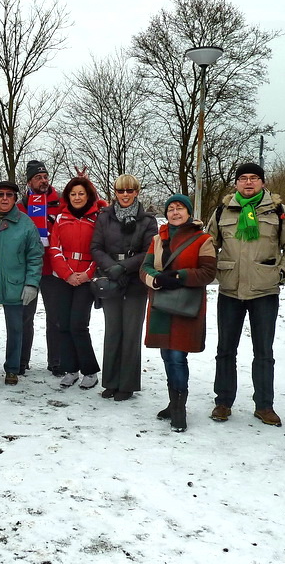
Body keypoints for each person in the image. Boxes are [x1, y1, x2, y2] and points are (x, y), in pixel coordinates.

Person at [206, 162, 285, 427]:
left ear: (262, 182)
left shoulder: (280, 211)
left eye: (254, 178)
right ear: (236, 183)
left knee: (264, 351)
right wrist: (216, 269)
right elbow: (208, 244)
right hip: (230, 290)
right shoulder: (222, 210)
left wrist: (281, 273)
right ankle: (223, 402)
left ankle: (264, 405)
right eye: (243, 179)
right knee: (225, 349)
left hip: (264, 290)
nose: (248, 183)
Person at [140, 195, 216, 431]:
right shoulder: (157, 239)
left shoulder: (203, 239)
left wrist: (178, 276)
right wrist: (156, 279)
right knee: (166, 355)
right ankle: (173, 402)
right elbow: (145, 268)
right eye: (171, 209)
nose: (175, 212)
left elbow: (207, 272)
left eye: (180, 208)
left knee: (177, 357)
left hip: (186, 305)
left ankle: (179, 408)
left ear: (188, 212)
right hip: (161, 303)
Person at [90, 174, 157, 401]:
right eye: (121, 191)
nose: (125, 195)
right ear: (115, 193)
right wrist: (111, 268)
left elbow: (150, 251)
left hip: (135, 280)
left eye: (129, 190)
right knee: (113, 332)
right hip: (110, 277)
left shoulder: (147, 220)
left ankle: (127, 384)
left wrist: (125, 267)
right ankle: (110, 381)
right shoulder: (105, 217)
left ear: (136, 191)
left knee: (131, 333)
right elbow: (96, 247)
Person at [0, 181, 44, 385]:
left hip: (16, 283)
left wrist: (32, 283)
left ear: (15, 198)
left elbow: (35, 255)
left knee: (16, 328)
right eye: (0, 194)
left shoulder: (26, 224)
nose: (4, 198)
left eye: (9, 194)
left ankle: (13, 368)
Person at [49, 177, 102, 389]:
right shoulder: (61, 218)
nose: (77, 197)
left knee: (78, 324)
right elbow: (54, 248)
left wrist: (87, 274)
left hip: (86, 277)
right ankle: (71, 369)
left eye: (81, 193)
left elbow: (100, 248)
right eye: (73, 194)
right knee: (63, 324)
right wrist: (67, 274)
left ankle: (90, 371)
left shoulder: (97, 218)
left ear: (88, 195)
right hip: (64, 278)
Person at [17, 160, 64, 376]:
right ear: (29, 182)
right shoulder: (22, 205)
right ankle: (21, 360)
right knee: (26, 316)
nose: (44, 180)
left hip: (53, 269)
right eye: (38, 177)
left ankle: (56, 360)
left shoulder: (60, 202)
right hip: (29, 270)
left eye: (45, 176)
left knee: (55, 317)